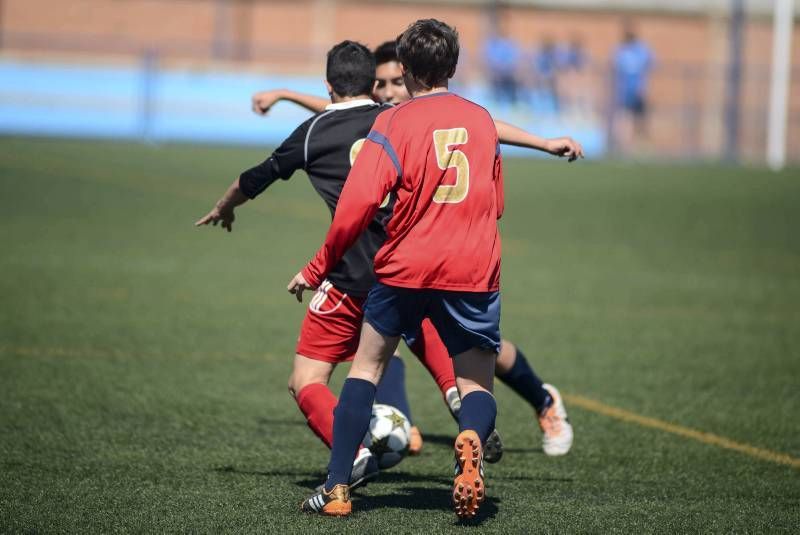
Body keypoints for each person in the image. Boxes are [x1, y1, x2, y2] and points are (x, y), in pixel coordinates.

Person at [251, 40, 579, 461]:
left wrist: (543, 142)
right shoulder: (385, 117)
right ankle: (416, 419)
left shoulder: (420, 118)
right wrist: (285, 94)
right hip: (399, 262)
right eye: (380, 85)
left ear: (411, 78)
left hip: (435, 255)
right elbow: (338, 109)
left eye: (394, 83)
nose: (387, 92)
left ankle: (542, 402)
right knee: (389, 343)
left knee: (478, 352)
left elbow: (484, 126)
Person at [289, 19, 522, 518]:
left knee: (366, 369)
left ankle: (336, 490)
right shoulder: (481, 119)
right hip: (473, 269)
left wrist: (317, 267)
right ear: (453, 67)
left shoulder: (392, 123)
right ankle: (468, 439)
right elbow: (497, 202)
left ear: (404, 70)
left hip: (405, 267)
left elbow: (355, 207)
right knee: (476, 386)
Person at [196, 40, 391, 491]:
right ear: (375, 84)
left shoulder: (312, 132)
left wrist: (226, 206)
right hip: (409, 272)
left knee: (306, 380)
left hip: (349, 277)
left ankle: (357, 454)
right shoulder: (395, 120)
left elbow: (257, 177)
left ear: (327, 86)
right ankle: (466, 429)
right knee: (439, 359)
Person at [612, 22, 654, 154]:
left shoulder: (641, 49)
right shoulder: (620, 49)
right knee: (625, 120)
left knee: (640, 121)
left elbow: (650, 64)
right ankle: (624, 148)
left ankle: (641, 147)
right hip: (624, 92)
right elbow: (615, 68)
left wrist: (643, 87)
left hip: (638, 92)